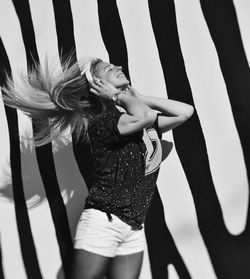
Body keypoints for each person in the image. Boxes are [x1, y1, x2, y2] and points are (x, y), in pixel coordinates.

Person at [1, 56, 194, 279]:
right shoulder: (104, 122)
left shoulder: (136, 121)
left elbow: (185, 112)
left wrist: (138, 96)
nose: (119, 67)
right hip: (104, 223)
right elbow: (146, 115)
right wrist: (118, 96)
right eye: (110, 69)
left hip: (133, 226)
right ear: (98, 85)